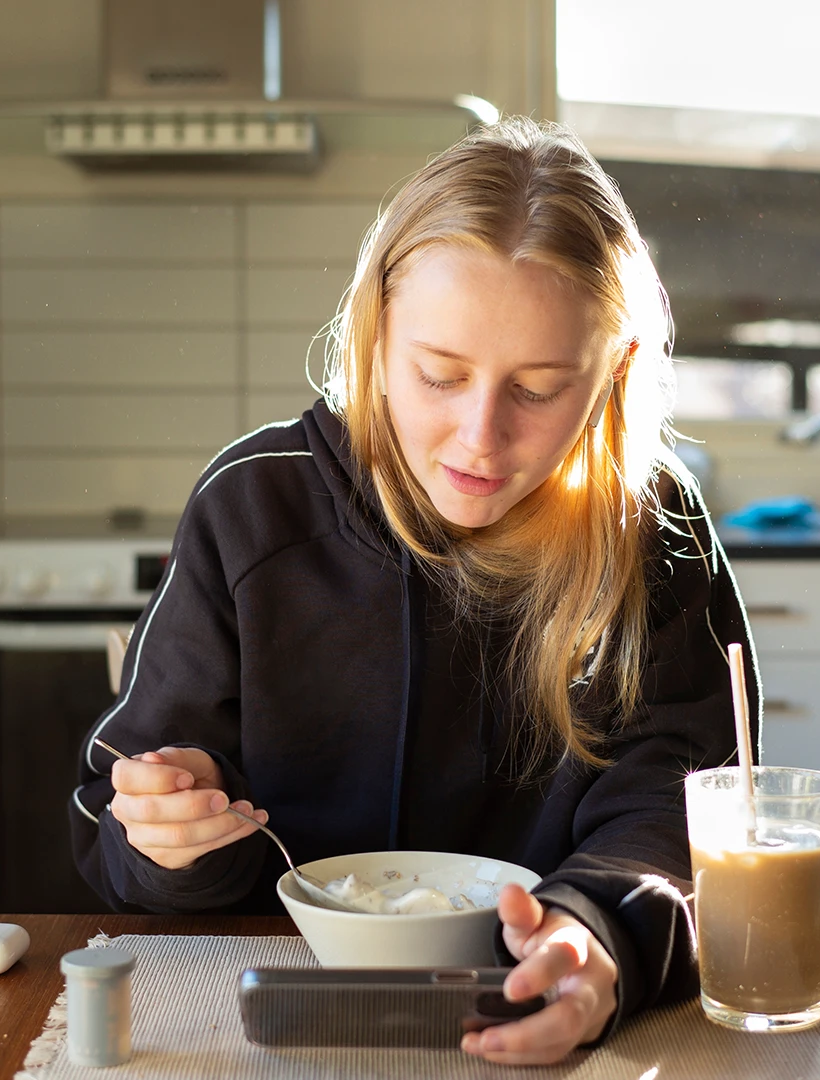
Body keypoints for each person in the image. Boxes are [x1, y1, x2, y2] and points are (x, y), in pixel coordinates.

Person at [68, 116, 758, 1065]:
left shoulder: (652, 536)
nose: (480, 437)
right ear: (376, 341)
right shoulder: (255, 506)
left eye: (540, 388)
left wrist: (596, 935)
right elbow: (115, 845)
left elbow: (679, 812)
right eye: (440, 375)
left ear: (611, 375)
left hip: (545, 1028)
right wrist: (168, 834)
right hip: (276, 1030)